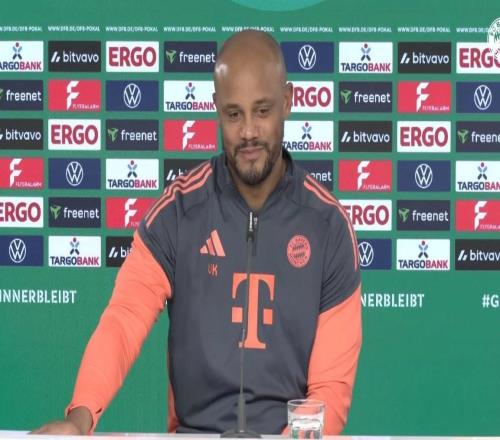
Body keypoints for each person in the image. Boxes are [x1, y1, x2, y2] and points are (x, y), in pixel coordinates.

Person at [32, 30, 362, 436]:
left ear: (288, 101)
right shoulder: (178, 212)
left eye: (262, 110)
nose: (248, 132)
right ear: (216, 108)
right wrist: (79, 418)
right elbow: (125, 319)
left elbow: (330, 389)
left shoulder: (327, 225)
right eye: (233, 114)